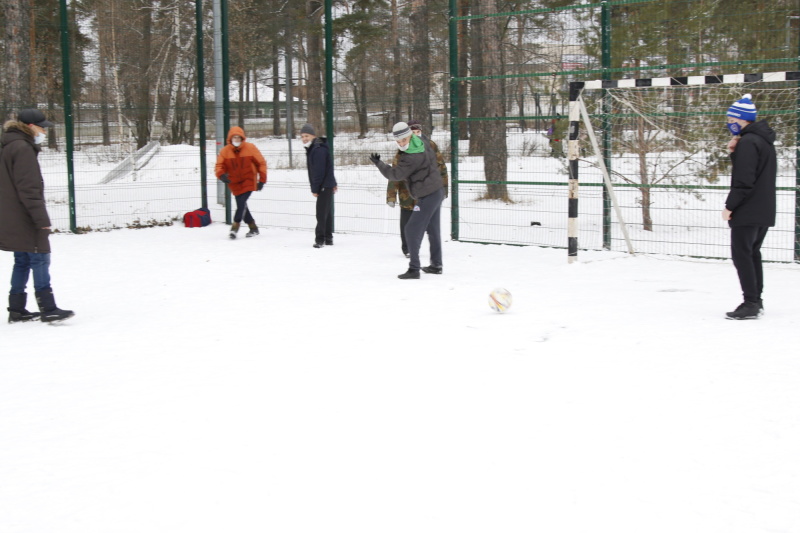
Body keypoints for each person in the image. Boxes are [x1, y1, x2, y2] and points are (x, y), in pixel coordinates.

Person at [0, 109, 74, 323]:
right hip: (24, 215)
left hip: (11, 213)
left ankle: (17, 309)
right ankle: (48, 307)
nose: (44, 131)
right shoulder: (23, 148)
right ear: (30, 127)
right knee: (40, 257)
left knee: (22, 260)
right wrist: (41, 220)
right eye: (42, 127)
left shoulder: (9, 144)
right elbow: (29, 189)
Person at [721, 94, 776, 320]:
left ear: (741, 119)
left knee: (741, 255)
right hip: (763, 208)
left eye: (730, 118)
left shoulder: (749, 142)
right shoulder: (762, 140)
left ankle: (750, 302)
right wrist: (736, 151)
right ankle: (756, 299)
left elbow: (743, 180)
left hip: (748, 208)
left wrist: (730, 207)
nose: (728, 122)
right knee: (752, 253)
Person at [370, 122, 444, 279]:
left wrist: (379, 164)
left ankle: (414, 269)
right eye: (399, 141)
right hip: (437, 191)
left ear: (410, 136)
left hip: (427, 195)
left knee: (411, 230)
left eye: (404, 140)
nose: (401, 143)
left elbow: (395, 175)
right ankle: (436, 265)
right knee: (433, 229)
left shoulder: (411, 157)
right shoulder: (422, 142)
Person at [386, 119, 448, 259]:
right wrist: (391, 195)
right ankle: (408, 249)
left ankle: (433, 260)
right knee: (407, 222)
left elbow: (441, 167)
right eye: (412, 132)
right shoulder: (402, 149)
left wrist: (444, 188)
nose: (415, 134)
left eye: (418, 132)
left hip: (427, 192)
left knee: (431, 225)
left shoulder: (430, 146)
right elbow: (394, 173)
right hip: (406, 193)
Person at [214, 126, 267, 239]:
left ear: (242, 138)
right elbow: (219, 166)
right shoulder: (225, 151)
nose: (236, 140)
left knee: (241, 203)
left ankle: (235, 227)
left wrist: (262, 180)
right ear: (230, 139)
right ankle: (253, 228)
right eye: (234, 138)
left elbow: (261, 163)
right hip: (234, 183)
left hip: (249, 180)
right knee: (242, 206)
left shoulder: (250, 148)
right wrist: (221, 175)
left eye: (239, 138)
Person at [300, 124, 337, 248]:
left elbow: (319, 172)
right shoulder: (316, 147)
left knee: (321, 212)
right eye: (302, 136)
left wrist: (316, 189)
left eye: (307, 136)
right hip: (327, 183)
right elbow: (329, 166)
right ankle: (328, 237)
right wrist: (333, 182)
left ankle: (320, 239)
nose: (304, 138)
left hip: (323, 184)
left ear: (313, 136)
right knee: (326, 211)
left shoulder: (317, 149)